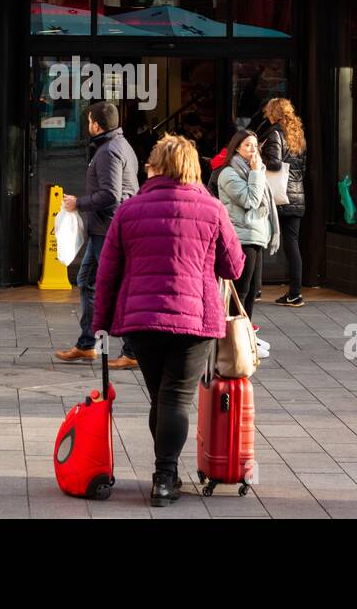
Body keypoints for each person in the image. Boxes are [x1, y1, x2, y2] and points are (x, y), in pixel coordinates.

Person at [92, 134, 245, 506]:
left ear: (156, 166)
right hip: (193, 323)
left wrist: (100, 323)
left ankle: (168, 473)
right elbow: (235, 266)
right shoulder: (212, 210)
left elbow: (107, 272)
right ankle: (163, 478)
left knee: (160, 397)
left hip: (142, 323)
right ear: (191, 166)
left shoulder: (129, 210)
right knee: (175, 398)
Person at [56, 102, 140, 369]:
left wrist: (78, 203)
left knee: (112, 286)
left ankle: (131, 350)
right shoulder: (119, 145)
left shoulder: (109, 152)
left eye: (90, 120)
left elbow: (110, 195)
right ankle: (87, 344)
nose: (87, 124)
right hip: (103, 229)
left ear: (97, 124)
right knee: (87, 281)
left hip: (109, 229)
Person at [217, 130, 279, 338]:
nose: (253, 150)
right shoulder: (229, 173)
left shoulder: (256, 170)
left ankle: (245, 336)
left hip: (256, 236)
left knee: (253, 291)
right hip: (241, 238)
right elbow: (250, 201)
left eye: (255, 145)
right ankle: (233, 338)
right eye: (247, 146)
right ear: (236, 148)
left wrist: (256, 172)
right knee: (240, 291)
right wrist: (256, 173)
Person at [262, 98, 307, 307]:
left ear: (274, 113)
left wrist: (259, 160)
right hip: (297, 195)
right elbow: (302, 167)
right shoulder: (297, 134)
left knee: (260, 238)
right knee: (292, 244)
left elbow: (274, 163)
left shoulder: (275, 133)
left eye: (269, 112)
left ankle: (255, 289)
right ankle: (295, 293)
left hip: (280, 196)